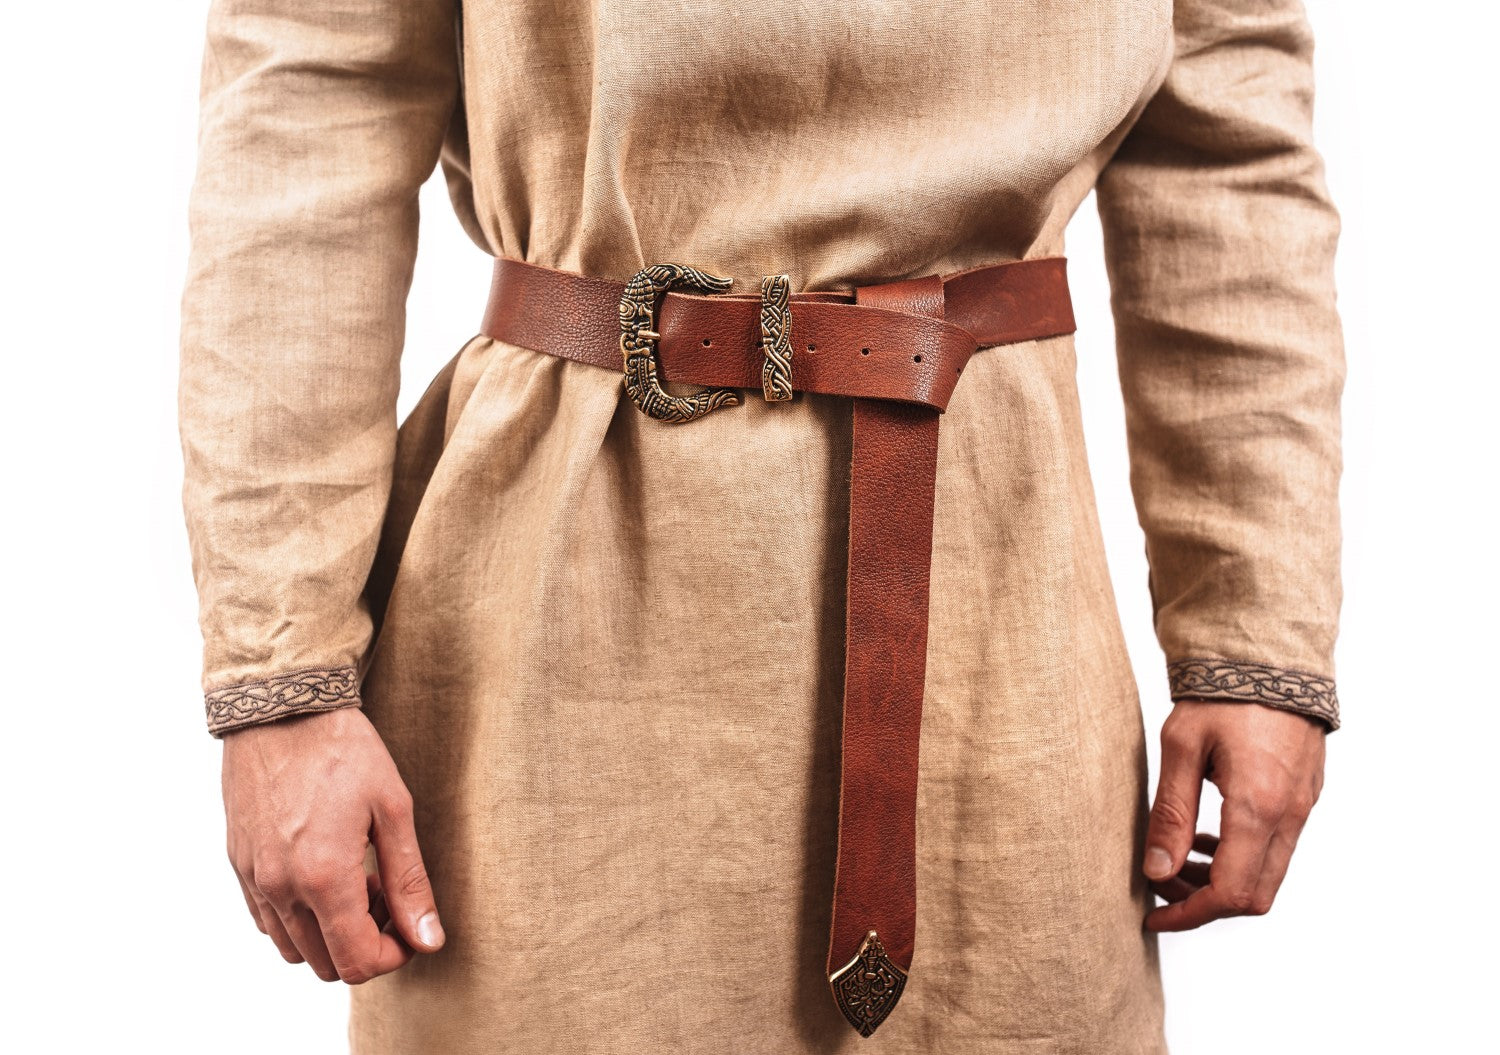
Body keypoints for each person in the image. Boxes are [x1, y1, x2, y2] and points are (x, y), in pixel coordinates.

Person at [178, 0, 1344, 1051]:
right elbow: (311, 99)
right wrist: (284, 680)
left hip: (1004, 636)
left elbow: (1227, 148)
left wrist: (1255, 636)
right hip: (554, 639)